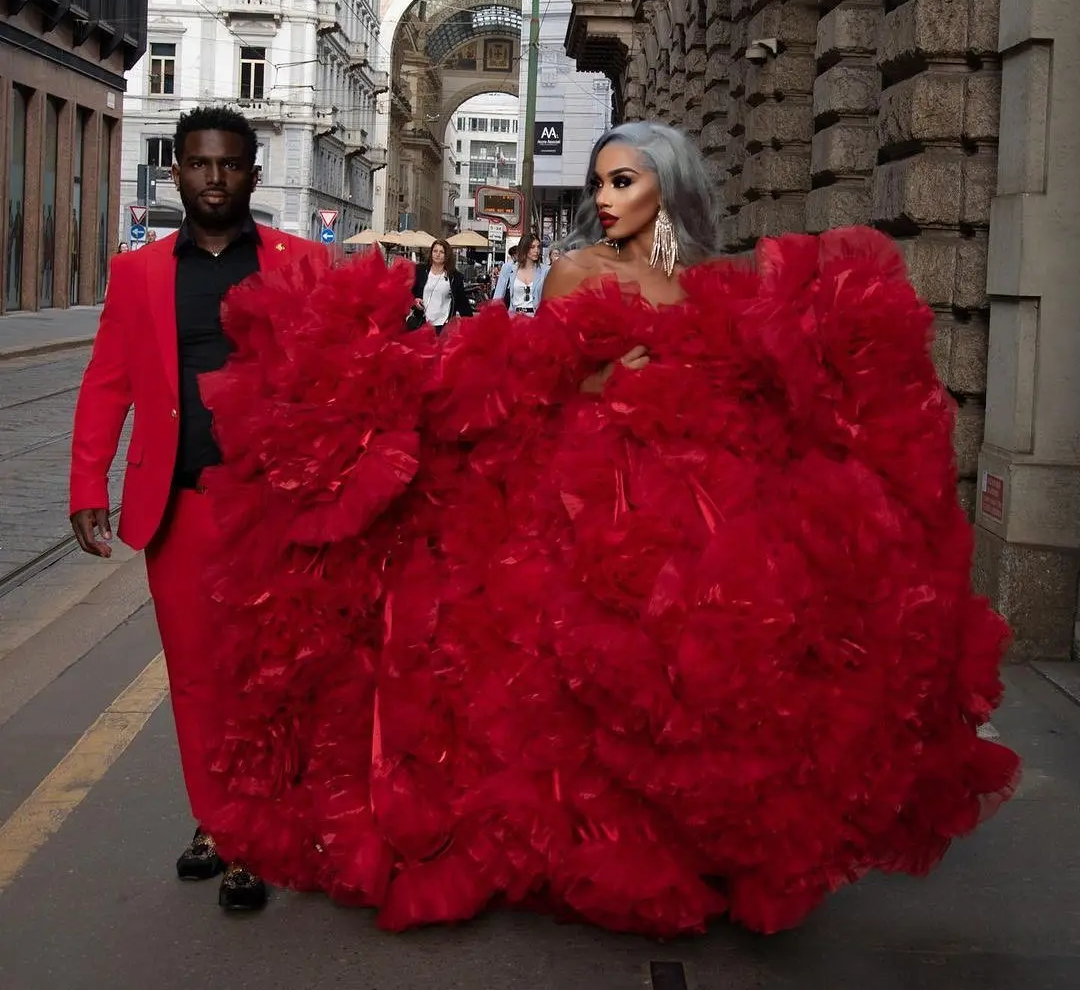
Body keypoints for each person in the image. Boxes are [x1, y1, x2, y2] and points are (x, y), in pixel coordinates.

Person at [197, 121, 1019, 936]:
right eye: (598, 182)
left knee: (698, 673)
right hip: (583, 499)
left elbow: (744, 386)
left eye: (622, 181)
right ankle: (585, 848)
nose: (604, 197)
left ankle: (694, 847)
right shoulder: (572, 272)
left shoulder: (705, 277)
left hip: (691, 493)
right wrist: (602, 378)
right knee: (573, 683)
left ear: (669, 183)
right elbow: (532, 386)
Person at [68, 105, 331, 914]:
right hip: (178, 507)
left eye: (228, 164)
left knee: (268, 679)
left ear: (254, 172)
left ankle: (257, 835)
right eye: (197, 164)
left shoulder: (303, 263)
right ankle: (216, 824)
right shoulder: (140, 273)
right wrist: (87, 484)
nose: (213, 178)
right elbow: (108, 382)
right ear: (175, 170)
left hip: (274, 513)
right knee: (194, 680)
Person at [409, 238, 473, 334]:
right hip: (421, 324)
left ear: (446, 255)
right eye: (435, 251)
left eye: (441, 252)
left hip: (443, 327)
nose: (437, 254)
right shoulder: (420, 271)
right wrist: (415, 301)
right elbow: (409, 293)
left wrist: (471, 325)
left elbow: (462, 302)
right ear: (431, 253)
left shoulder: (454, 277)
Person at [492, 233, 549, 315]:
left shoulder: (545, 270)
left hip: (536, 320)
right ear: (524, 248)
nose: (536, 250)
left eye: (538, 247)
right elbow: (497, 298)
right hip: (514, 320)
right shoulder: (508, 268)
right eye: (532, 247)